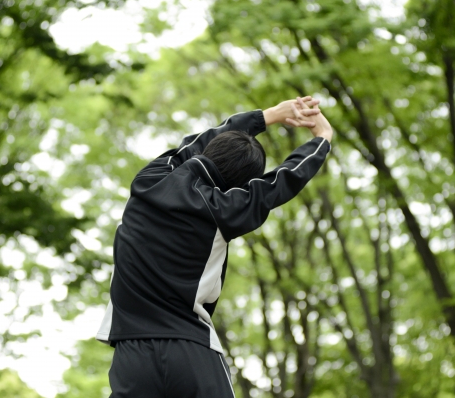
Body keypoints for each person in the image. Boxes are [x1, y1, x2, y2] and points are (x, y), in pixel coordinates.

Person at [96, 96, 333, 397]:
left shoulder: (148, 181)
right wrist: (322, 139)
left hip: (131, 354)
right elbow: (281, 181)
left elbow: (193, 144)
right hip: (190, 348)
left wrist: (269, 115)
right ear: (239, 184)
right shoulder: (225, 209)